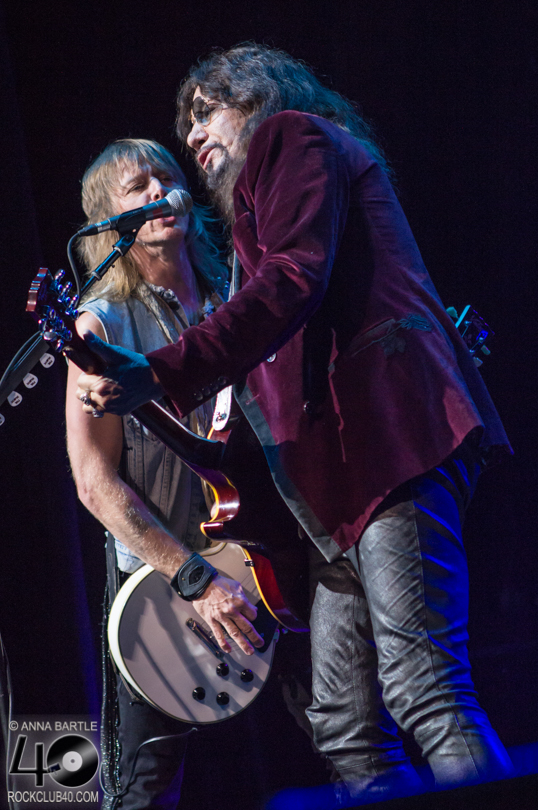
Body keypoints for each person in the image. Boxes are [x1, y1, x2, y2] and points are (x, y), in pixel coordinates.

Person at [75, 45, 515, 802]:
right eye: (187, 124)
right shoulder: (253, 223)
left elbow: (292, 282)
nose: (193, 136)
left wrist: (163, 371)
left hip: (386, 451)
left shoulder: (291, 137)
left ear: (254, 97)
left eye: (205, 111)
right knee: (344, 723)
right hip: (338, 491)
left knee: (425, 686)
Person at [65, 138, 231, 809]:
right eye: (138, 186)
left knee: (340, 732)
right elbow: (93, 482)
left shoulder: (236, 299)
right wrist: (192, 576)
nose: (160, 190)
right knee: (146, 787)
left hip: (261, 563)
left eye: (165, 175)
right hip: (160, 585)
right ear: (109, 224)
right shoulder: (99, 326)